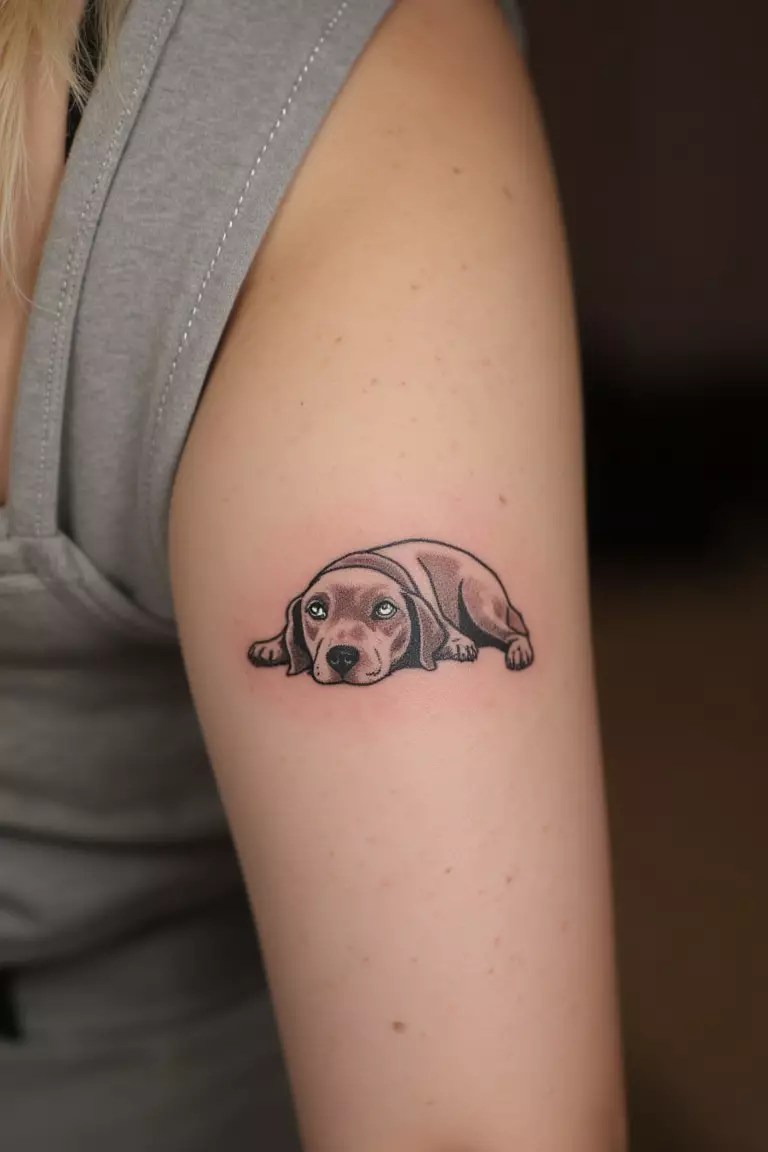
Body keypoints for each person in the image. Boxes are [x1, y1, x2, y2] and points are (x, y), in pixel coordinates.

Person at [0, 0, 627, 1148]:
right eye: (326, 625)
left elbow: (473, 1126)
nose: (342, 640)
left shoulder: (332, 92)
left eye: (363, 620)